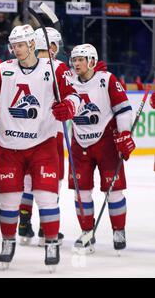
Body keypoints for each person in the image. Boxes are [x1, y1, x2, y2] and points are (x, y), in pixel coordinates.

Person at [0, 24, 81, 271]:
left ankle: (51, 242)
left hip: (43, 144)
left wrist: (70, 106)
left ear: (32, 44)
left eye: (21, 45)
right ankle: (8, 242)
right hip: (10, 146)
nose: (16, 50)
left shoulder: (55, 68)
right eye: (13, 45)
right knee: (8, 200)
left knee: (46, 197)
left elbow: (75, 95)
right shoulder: (3, 69)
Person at [69, 44, 135, 254]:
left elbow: (123, 109)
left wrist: (124, 134)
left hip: (106, 142)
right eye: (75, 59)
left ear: (92, 61)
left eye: (81, 59)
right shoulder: (68, 81)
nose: (76, 63)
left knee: (114, 191)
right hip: (79, 143)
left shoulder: (106, 79)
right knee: (82, 193)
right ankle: (87, 232)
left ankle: (119, 230)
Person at [18, 27, 66, 246]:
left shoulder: (25, 67)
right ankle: (46, 227)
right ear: (53, 46)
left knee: (28, 180)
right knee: (50, 182)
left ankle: (24, 223)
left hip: (24, 134)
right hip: (50, 135)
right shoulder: (58, 68)